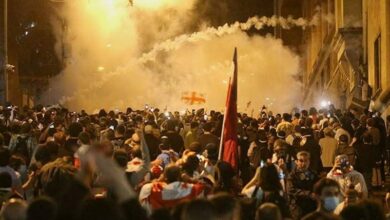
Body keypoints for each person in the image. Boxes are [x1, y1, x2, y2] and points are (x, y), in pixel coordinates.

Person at [139, 165, 205, 214]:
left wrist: (158, 180)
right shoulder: (190, 188)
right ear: (180, 176)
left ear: (164, 177)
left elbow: (142, 186)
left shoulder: (152, 189)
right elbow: (205, 186)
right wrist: (191, 180)